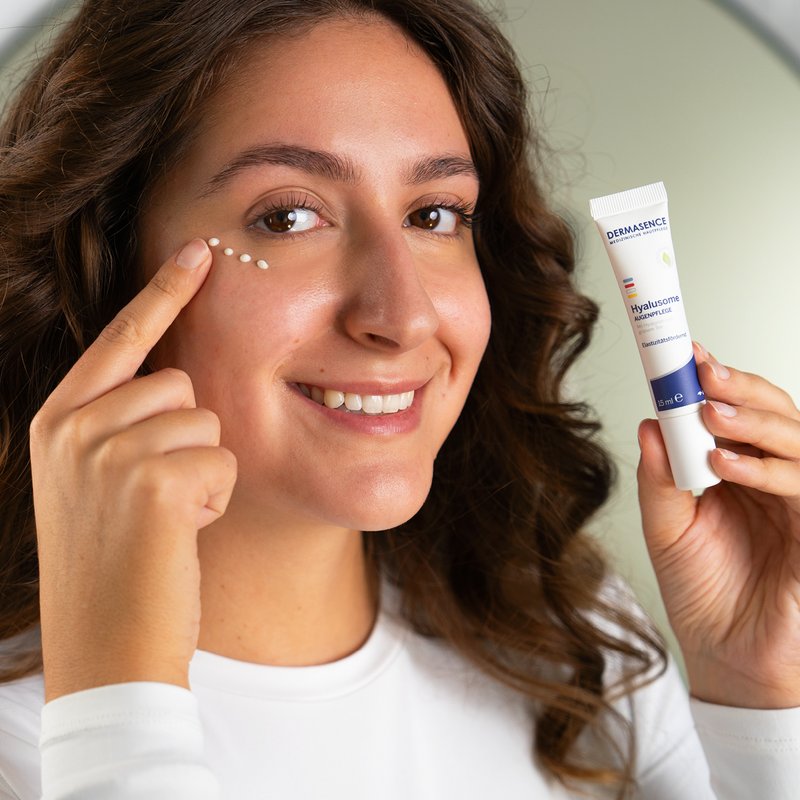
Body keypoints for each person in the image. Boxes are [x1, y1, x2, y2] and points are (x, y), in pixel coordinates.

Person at [0, 0, 798, 797]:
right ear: (105, 257)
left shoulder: (569, 641)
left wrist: (760, 701)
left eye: (434, 214)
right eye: (287, 216)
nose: (404, 314)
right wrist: (113, 705)